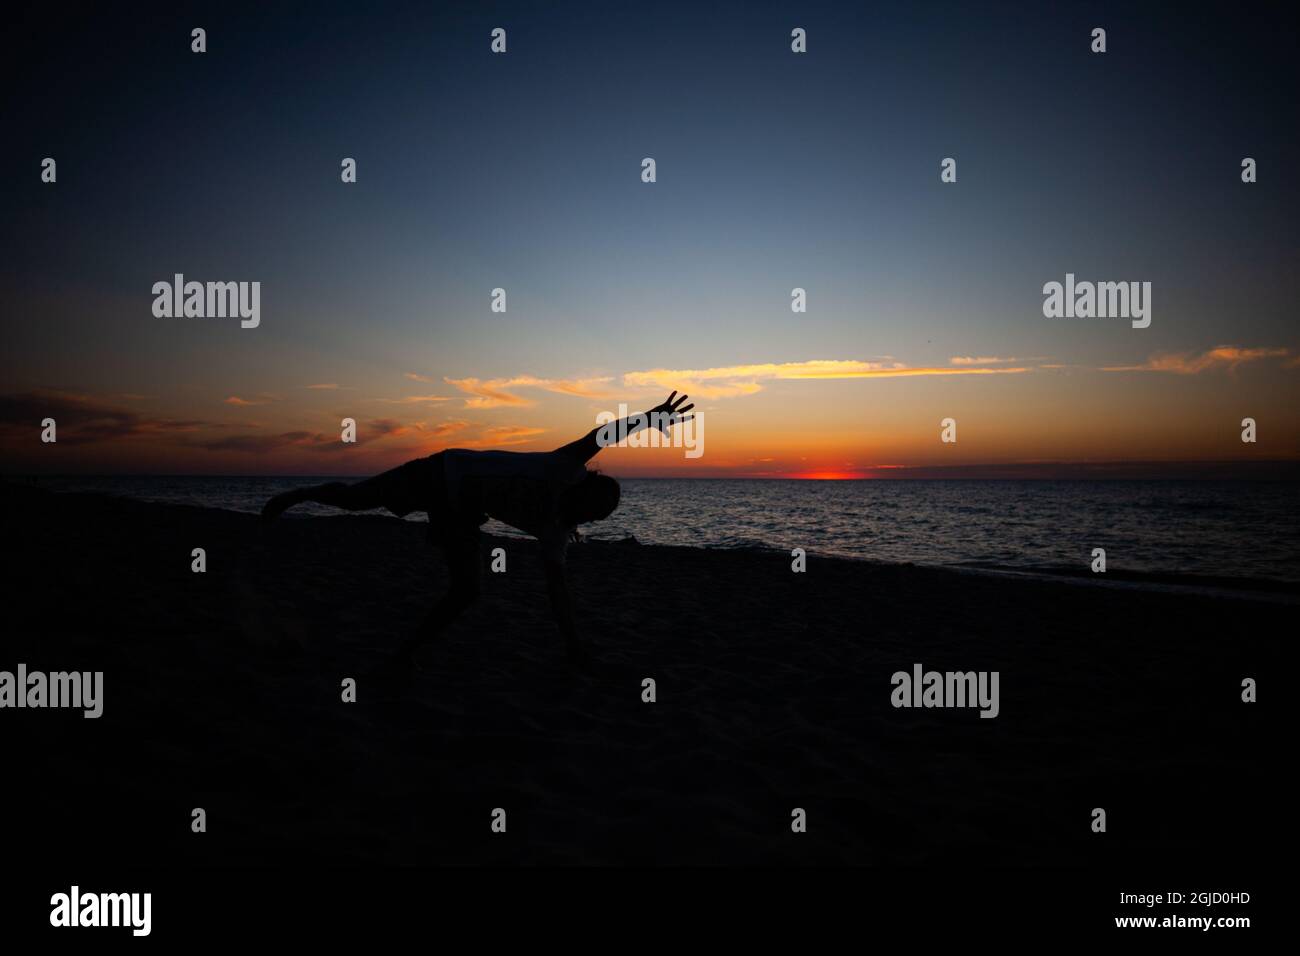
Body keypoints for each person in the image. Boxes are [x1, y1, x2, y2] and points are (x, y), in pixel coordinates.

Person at [261, 391, 693, 664]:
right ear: (587, 488)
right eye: (594, 506)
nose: (590, 516)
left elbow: (557, 590)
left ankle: (405, 656)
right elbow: (604, 434)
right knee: (357, 500)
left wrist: (573, 645)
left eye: (598, 518)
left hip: (459, 515)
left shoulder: (556, 530)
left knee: (467, 591)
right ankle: (298, 495)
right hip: (444, 472)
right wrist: (652, 418)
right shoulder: (564, 468)